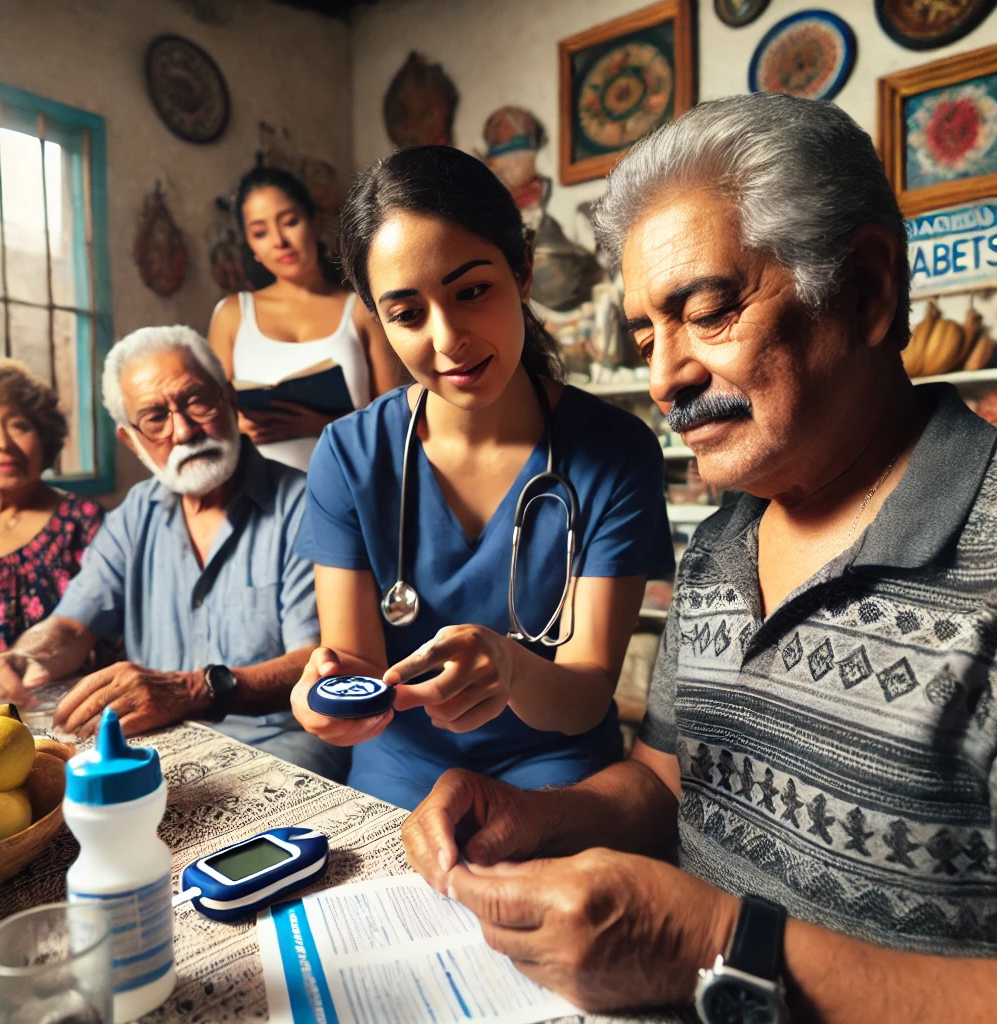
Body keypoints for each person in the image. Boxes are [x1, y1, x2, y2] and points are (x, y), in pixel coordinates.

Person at [401, 95, 997, 1022]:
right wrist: (531, 814)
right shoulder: (724, 542)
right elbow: (672, 778)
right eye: (646, 334)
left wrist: (718, 948)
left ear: (869, 290)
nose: (664, 376)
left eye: (710, 312)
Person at [288, 146, 674, 811]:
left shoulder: (615, 454)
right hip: (398, 781)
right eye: (407, 314)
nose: (447, 340)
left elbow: (585, 698)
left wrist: (514, 671)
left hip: (555, 777)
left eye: (471, 292)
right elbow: (354, 667)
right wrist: (323, 695)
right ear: (378, 318)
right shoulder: (350, 457)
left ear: (522, 269)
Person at [0, 326, 348, 781]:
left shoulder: (305, 503)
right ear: (131, 440)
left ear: (229, 400)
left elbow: (318, 660)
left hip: (280, 745)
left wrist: (192, 689)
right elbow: (72, 625)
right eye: (154, 417)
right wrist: (26, 657)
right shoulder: (135, 514)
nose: (184, 430)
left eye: (197, 401)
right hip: (160, 744)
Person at [207, 166, 405, 472]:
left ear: (314, 222)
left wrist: (323, 425)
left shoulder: (363, 310)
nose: (278, 241)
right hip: (259, 500)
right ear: (252, 248)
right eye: (260, 232)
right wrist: (238, 427)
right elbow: (211, 423)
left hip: (350, 488)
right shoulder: (231, 315)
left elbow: (396, 422)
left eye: (289, 222)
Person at [0, 358, 103, 666]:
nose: (2, 443)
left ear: (44, 437)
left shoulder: (82, 522)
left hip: (55, 707)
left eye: (19, 426)